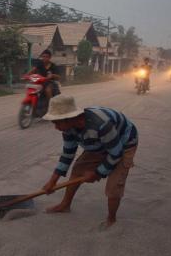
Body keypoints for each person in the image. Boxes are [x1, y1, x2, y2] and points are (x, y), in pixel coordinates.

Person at [41, 95, 139, 228]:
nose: (56, 127)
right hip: (99, 143)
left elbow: (116, 153)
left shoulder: (101, 124)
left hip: (124, 143)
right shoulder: (68, 128)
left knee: (114, 186)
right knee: (77, 170)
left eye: (57, 123)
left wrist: (98, 173)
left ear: (69, 118)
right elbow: (67, 154)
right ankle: (65, 205)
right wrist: (53, 180)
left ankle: (111, 219)